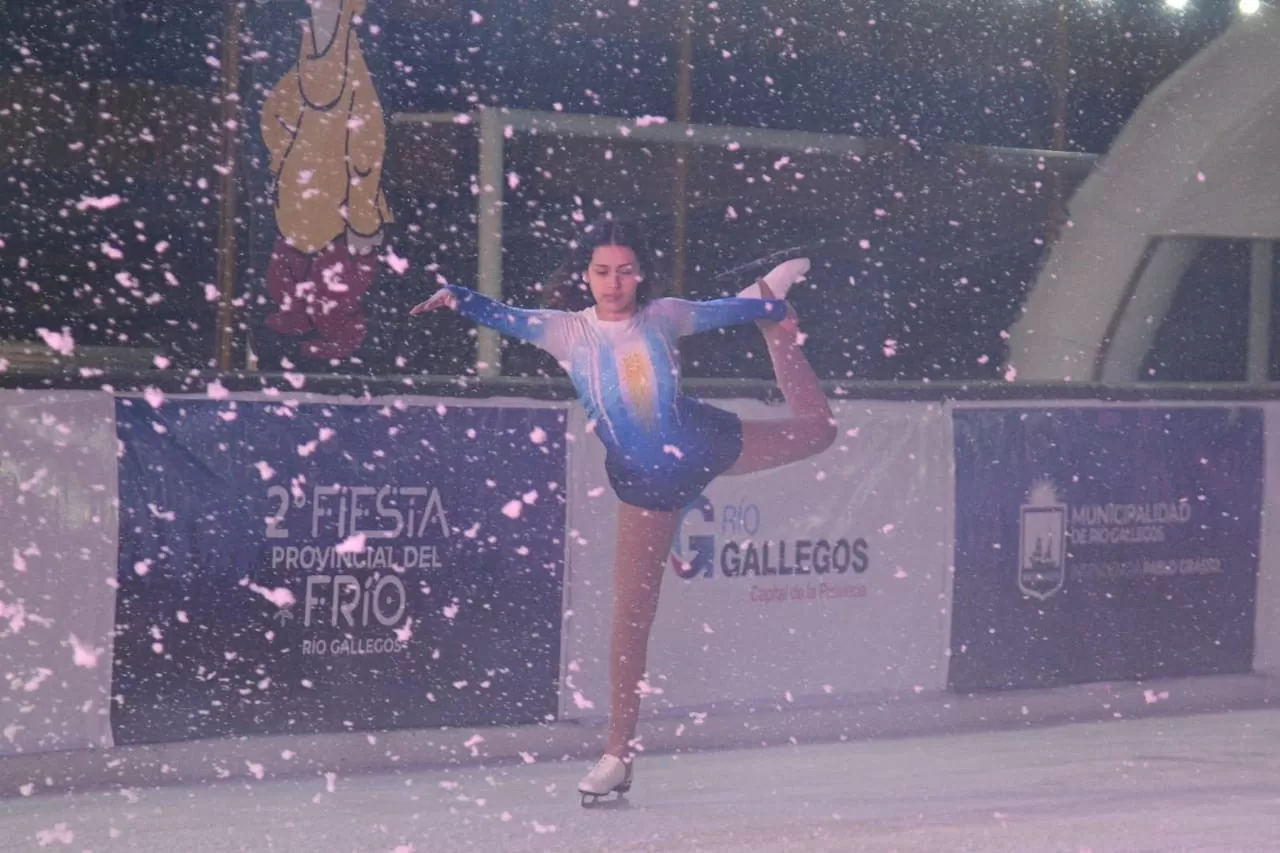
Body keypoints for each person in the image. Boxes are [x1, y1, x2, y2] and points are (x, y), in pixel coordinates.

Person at [410, 215, 836, 805]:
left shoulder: (664, 316)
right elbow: (505, 317)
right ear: (586, 276)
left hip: (699, 441)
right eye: (603, 272)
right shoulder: (565, 332)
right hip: (645, 483)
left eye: (625, 272)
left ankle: (772, 313)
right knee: (632, 619)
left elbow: (717, 312)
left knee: (818, 432)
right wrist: (458, 297)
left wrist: (769, 313)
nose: (614, 283)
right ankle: (618, 755)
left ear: (640, 276)